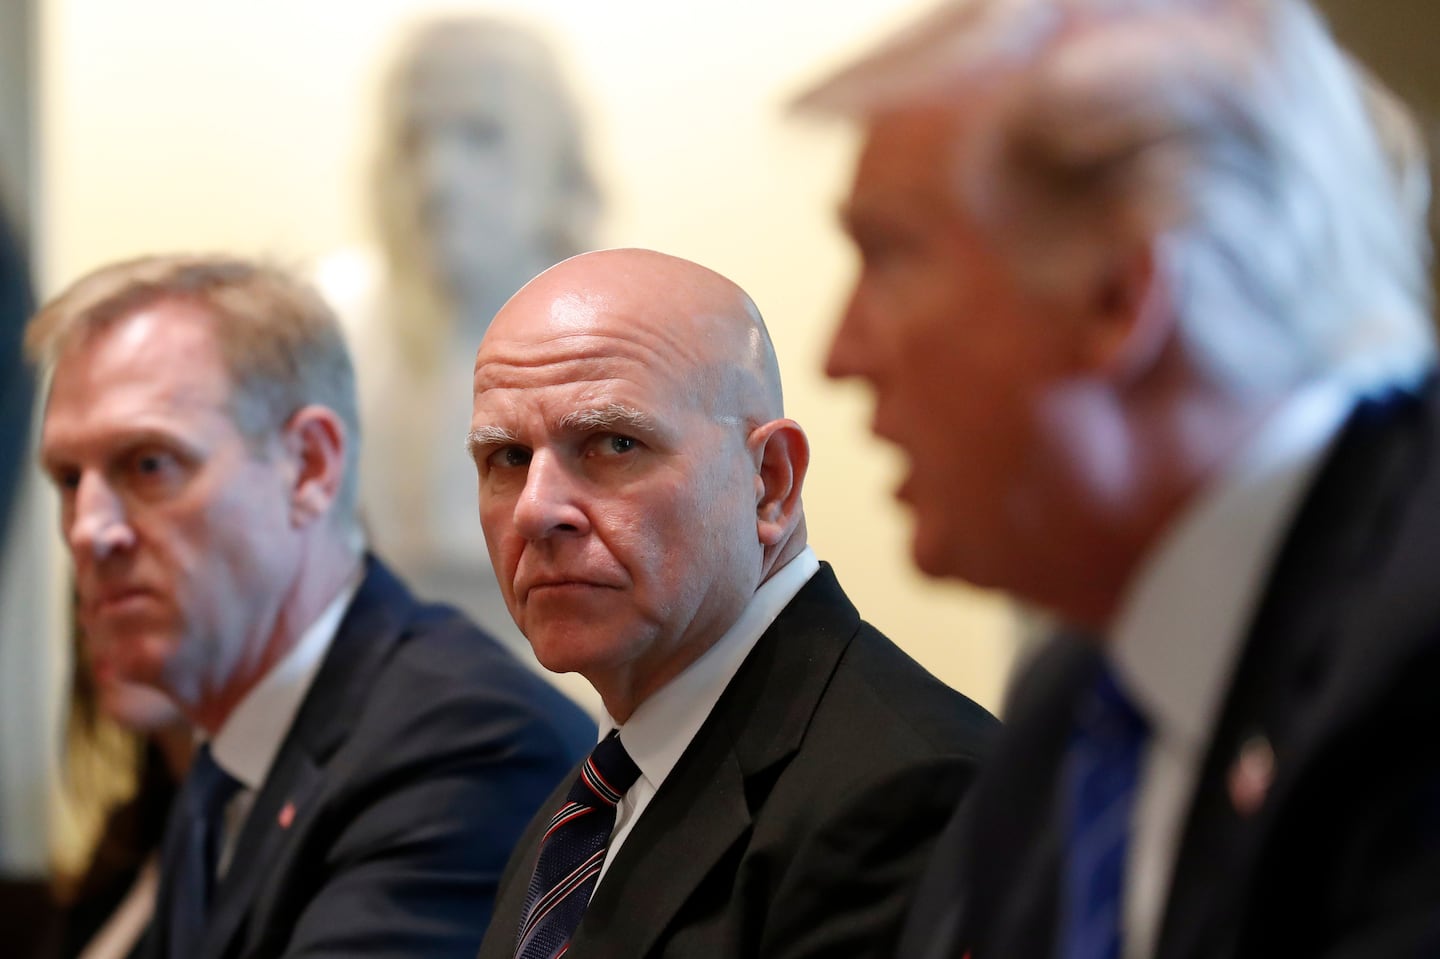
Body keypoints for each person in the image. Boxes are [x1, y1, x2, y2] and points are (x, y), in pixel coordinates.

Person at [799, 0, 1440, 956]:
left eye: (888, 254)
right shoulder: (1078, 704)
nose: (839, 354)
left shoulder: (1413, 664)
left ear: (1118, 294)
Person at [26, 254, 595, 959]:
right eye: (67, 479)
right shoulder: (224, 763)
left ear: (310, 467)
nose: (87, 528)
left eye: (148, 464)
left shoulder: (466, 748)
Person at [471, 248, 996, 959]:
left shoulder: (908, 794)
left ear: (770, 482)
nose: (537, 510)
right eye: (506, 457)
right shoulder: (588, 802)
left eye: (612, 443)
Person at [315, 17, 601, 701]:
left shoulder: (618, 331)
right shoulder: (330, 328)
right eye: (414, 139)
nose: (439, 178)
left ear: (551, 156)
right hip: (372, 695)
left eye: (481, 134)